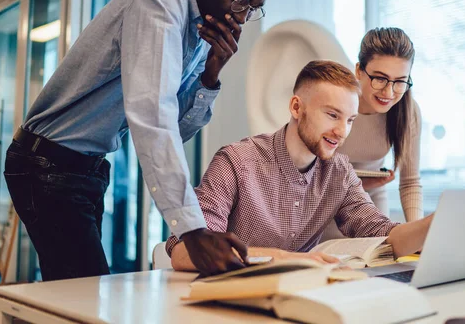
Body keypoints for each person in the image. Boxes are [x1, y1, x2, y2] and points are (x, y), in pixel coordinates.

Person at [3, 0, 274, 280]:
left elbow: (178, 130)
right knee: (82, 294)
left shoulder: (203, 31)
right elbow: (153, 117)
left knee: (77, 290)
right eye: (239, 0)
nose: (241, 17)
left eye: (253, 8)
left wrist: (210, 75)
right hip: (48, 162)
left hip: (86, 169)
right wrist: (192, 230)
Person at [165, 60, 433, 271]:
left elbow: (382, 234)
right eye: (332, 115)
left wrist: (433, 225)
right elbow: (185, 250)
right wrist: (283, 258)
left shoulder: (339, 172)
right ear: (296, 107)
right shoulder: (236, 161)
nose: (341, 132)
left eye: (350, 120)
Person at [323, 28, 423, 242]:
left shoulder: (408, 110)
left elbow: (410, 182)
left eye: (400, 81)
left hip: (372, 203)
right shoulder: (335, 103)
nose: (388, 93)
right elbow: (305, 179)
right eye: (380, 78)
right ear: (359, 70)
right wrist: (357, 186)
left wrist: (418, 237)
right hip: (325, 207)